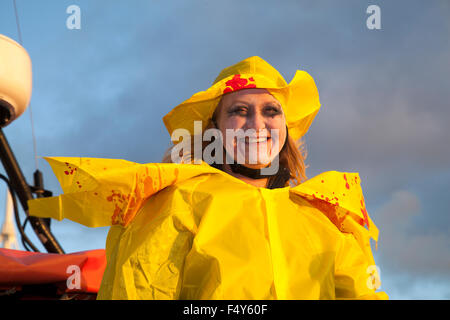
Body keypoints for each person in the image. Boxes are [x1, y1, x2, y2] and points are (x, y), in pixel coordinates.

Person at [28, 56, 388, 300]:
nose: (257, 124)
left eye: (270, 111)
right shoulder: (178, 201)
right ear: (214, 129)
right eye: (240, 111)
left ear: (286, 127)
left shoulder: (327, 215)